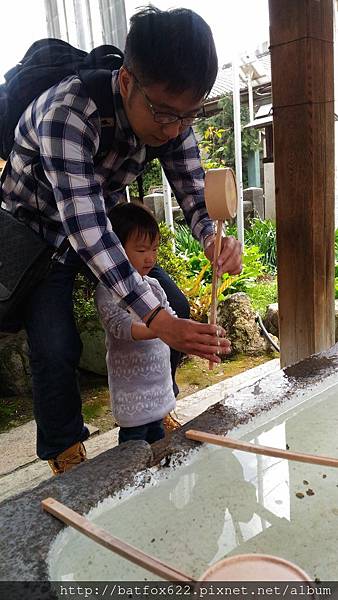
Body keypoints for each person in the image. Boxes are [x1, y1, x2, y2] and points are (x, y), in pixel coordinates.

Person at [0, 6, 242, 474]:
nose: (174, 129)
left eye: (189, 115)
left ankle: (153, 409)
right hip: (36, 236)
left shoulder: (173, 116)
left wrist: (213, 238)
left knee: (178, 308)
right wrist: (154, 319)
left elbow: (195, 193)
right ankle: (66, 453)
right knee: (55, 346)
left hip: (97, 230)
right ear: (128, 81)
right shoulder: (66, 114)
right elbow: (85, 227)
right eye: (166, 114)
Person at [96, 202, 178, 444]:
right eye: (142, 250)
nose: (151, 258)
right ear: (116, 251)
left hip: (159, 389)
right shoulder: (107, 291)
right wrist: (164, 329)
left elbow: (171, 318)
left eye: (154, 249)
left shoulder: (153, 285)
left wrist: (195, 333)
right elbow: (121, 326)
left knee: (159, 443)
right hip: (132, 396)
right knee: (134, 450)